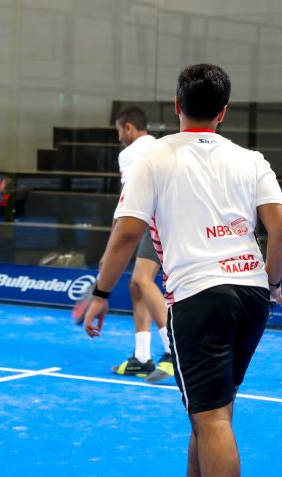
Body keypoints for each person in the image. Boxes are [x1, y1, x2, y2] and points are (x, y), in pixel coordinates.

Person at [83, 64, 282, 477]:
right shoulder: (252, 159)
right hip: (252, 296)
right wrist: (273, 282)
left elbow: (126, 234)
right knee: (217, 408)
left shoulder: (152, 158)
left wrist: (100, 294)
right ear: (223, 112)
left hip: (200, 298)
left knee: (213, 418)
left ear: (176, 105)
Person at [111, 106, 173, 383]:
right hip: (168, 218)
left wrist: (111, 249)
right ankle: (142, 357)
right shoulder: (158, 146)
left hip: (158, 219)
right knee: (136, 284)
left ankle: (172, 350)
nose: (119, 138)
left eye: (119, 131)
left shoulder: (130, 154)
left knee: (142, 279)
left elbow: (127, 203)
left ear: (128, 128)